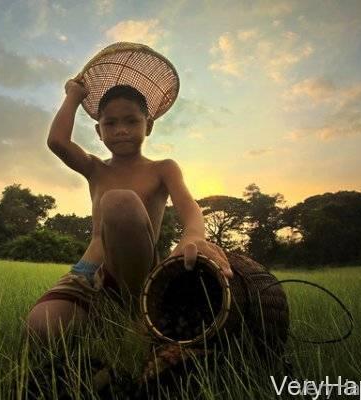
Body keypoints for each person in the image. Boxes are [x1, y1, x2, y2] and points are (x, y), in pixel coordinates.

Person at [25, 78, 233, 340]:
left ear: (149, 126)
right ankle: (103, 321)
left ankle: (139, 315)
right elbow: (57, 141)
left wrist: (193, 236)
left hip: (138, 273)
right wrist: (73, 96)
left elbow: (190, 208)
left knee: (119, 201)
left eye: (131, 121)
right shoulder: (95, 168)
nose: (120, 129)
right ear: (99, 132)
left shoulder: (163, 168)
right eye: (110, 123)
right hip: (88, 272)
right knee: (40, 329)